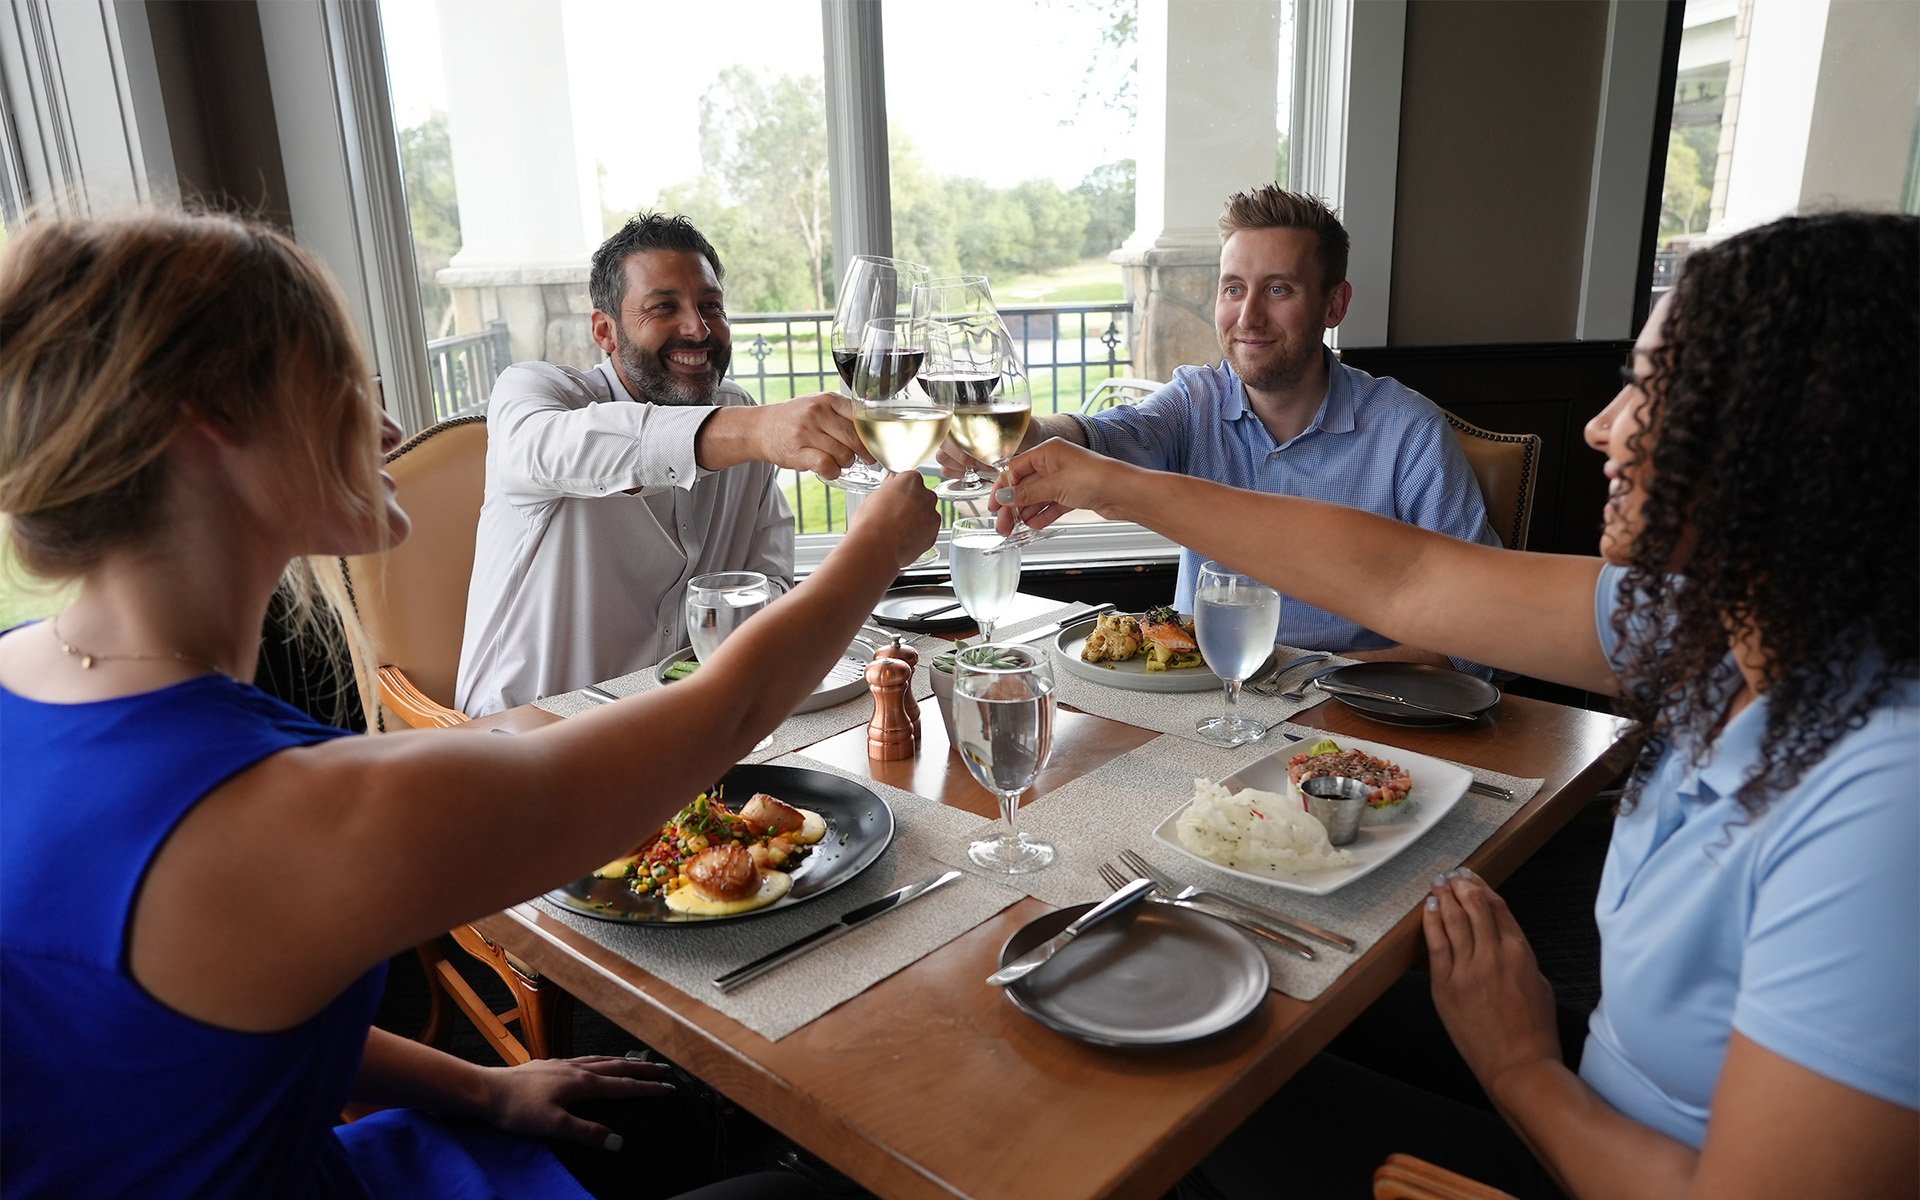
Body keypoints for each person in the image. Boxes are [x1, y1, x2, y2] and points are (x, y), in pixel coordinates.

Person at [0, 207, 938, 1199]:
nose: (388, 427)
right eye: (342, 382)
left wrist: (482, 1088)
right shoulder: (295, 809)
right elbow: (726, 715)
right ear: (214, 419)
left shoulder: (26, 672)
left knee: (659, 1115)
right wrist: (873, 549)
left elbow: (209, 1014)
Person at [996, 210, 1918, 1198]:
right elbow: (1405, 579)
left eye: (1652, 389)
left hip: (1605, 1155)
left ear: (1790, 439)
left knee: (1173, 1110)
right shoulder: (1715, 624)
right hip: (1608, 1091)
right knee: (1255, 1006)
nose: (1600, 425)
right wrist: (1109, 484)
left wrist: (1521, 1068)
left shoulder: (1887, 799)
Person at [960, 184, 1498, 672]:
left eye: (1279, 290)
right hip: (1198, 696)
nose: (1248, 318)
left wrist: (1311, 679)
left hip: (1352, 708)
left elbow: (1476, 640)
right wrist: (1025, 436)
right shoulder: (1195, 402)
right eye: (1234, 289)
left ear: (1334, 304)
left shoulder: (1409, 433)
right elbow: (1102, 438)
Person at [457, 213, 871, 716]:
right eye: (663, 307)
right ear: (605, 330)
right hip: (523, 734)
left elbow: (772, 586)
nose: (698, 328)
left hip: (680, 728)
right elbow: (556, 449)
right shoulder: (537, 394)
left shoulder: (739, 412)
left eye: (711, 306)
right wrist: (758, 431)